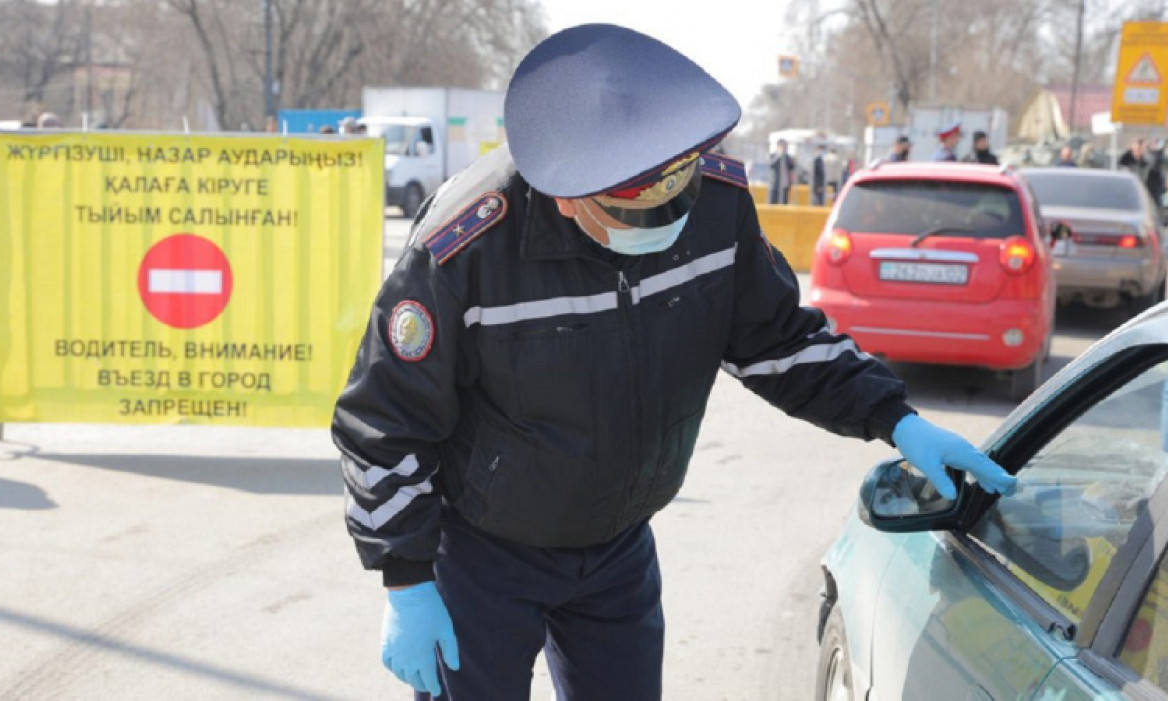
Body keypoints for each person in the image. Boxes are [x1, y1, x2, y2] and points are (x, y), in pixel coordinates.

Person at [332, 23, 1017, 701]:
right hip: (484, 554)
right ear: (569, 198)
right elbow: (383, 418)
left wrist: (895, 419)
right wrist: (406, 576)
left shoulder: (714, 205)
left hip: (616, 548)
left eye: (677, 197)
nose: (666, 227)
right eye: (635, 216)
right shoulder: (467, 248)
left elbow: (780, 340)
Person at [768, 138, 795, 204]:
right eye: (782, 146)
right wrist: (779, 156)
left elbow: (792, 166)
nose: (784, 148)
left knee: (784, 203)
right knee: (773, 203)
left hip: (784, 185)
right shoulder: (773, 155)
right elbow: (772, 165)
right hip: (775, 185)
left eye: (785, 146)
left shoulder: (787, 157)